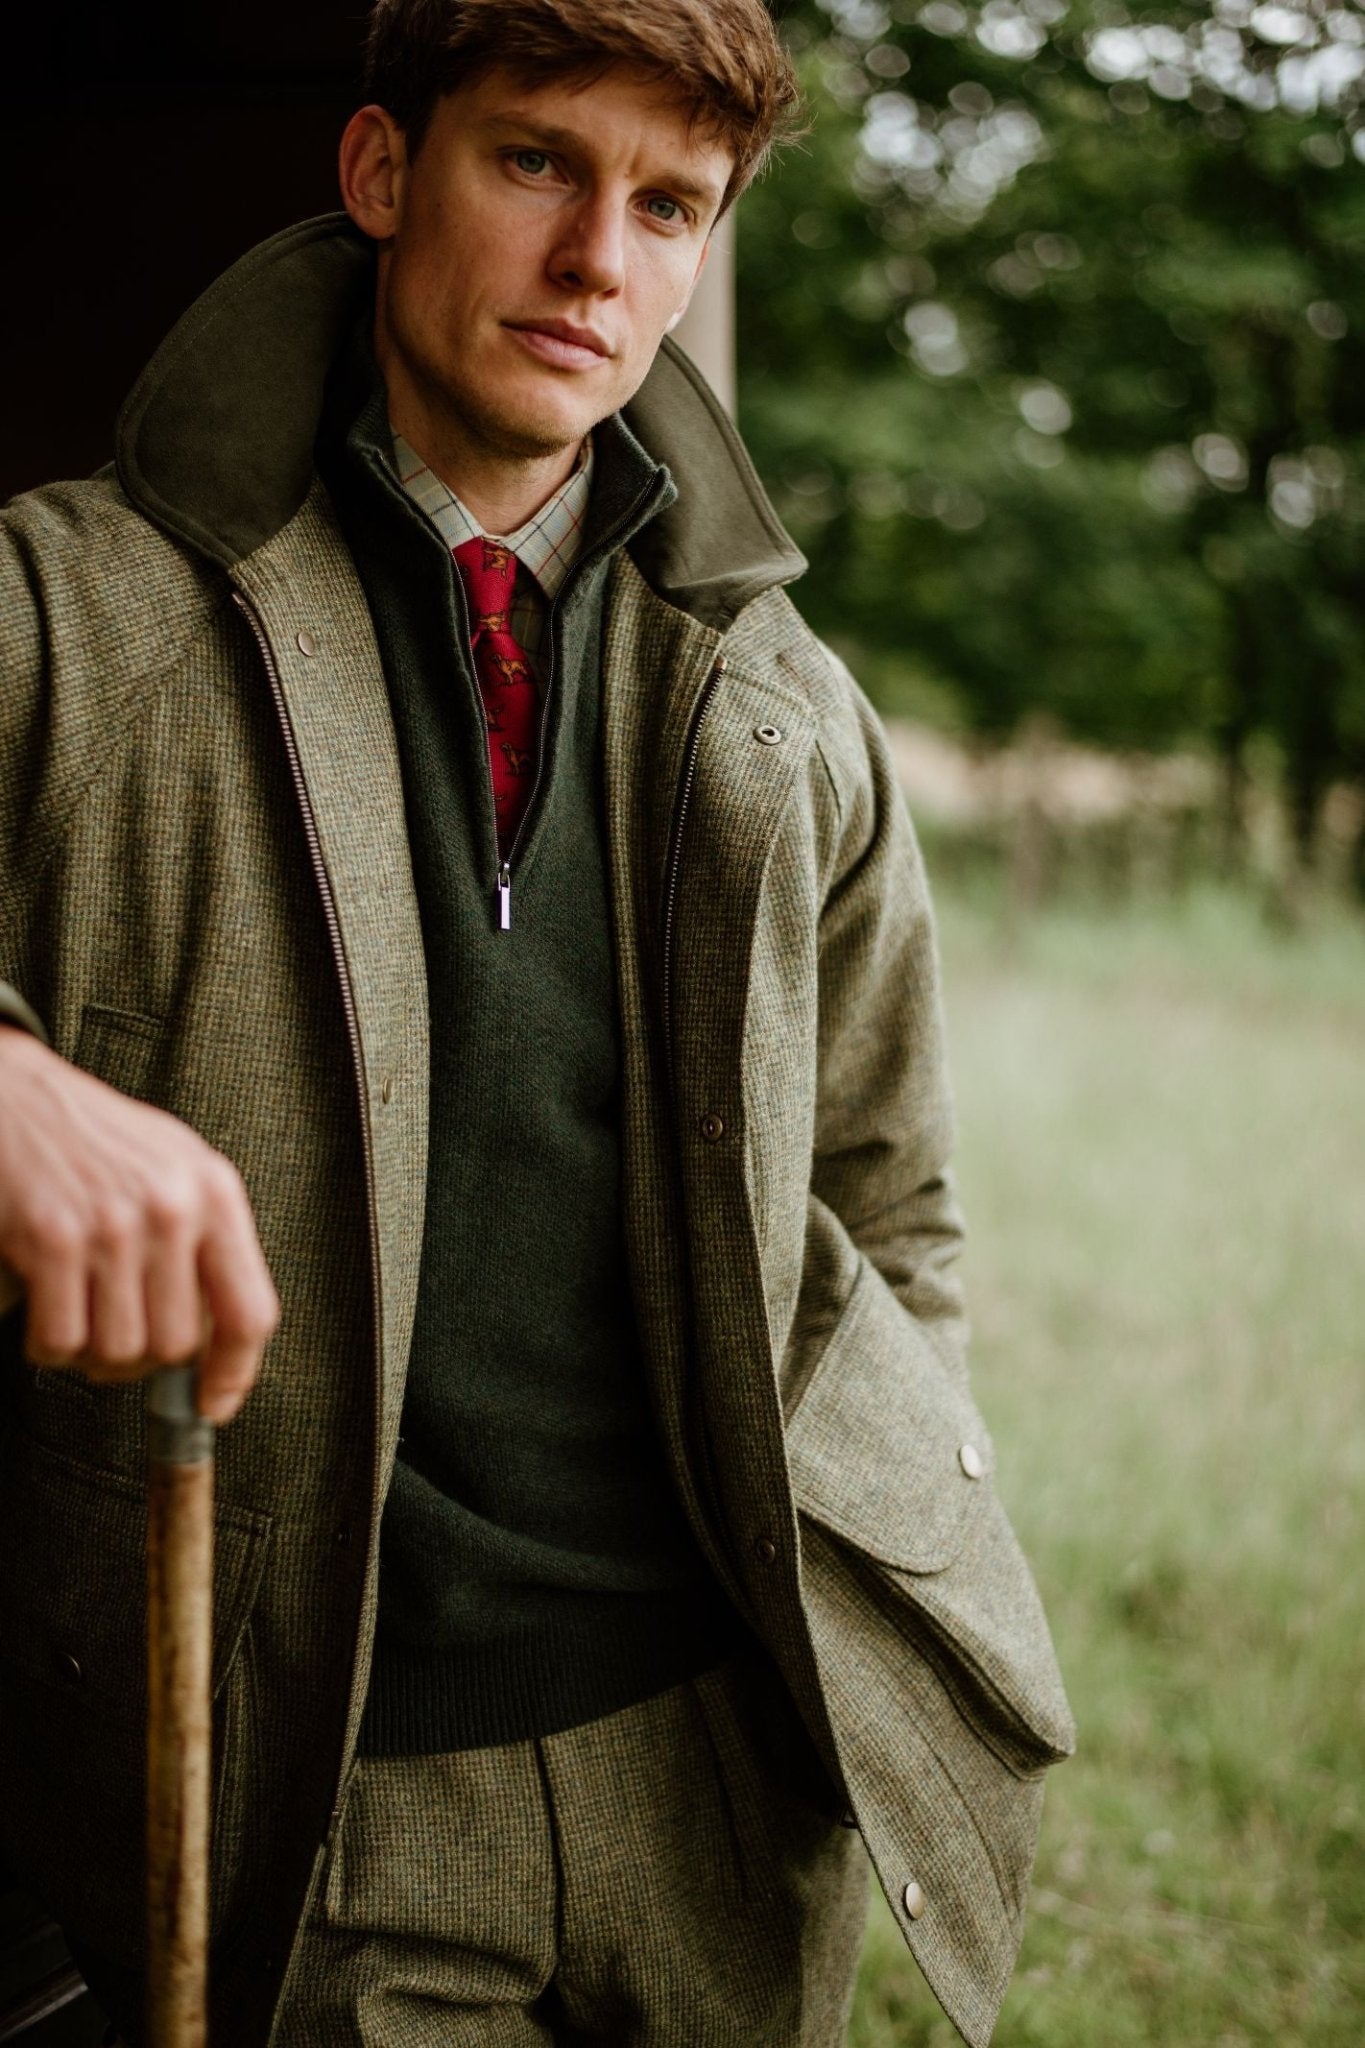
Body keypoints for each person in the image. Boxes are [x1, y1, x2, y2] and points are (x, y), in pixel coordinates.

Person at [0, 2, 1075, 2042]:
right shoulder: (72, 609)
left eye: (669, 203)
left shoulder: (783, 707)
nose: (601, 258)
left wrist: (870, 1543)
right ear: (383, 172)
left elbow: (889, 1199)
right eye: (535, 164)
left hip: (721, 1779)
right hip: (337, 1790)